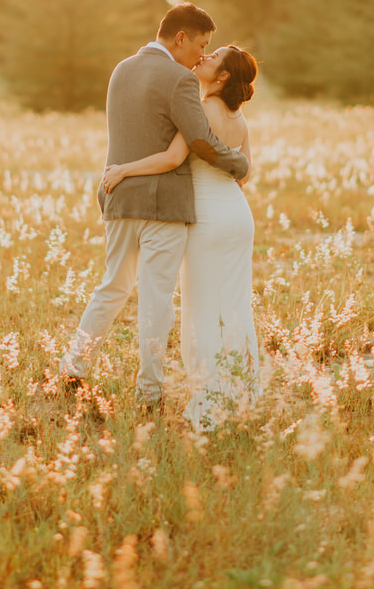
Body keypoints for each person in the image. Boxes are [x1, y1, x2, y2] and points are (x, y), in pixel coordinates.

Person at [59, 3, 250, 410]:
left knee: (112, 286)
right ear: (180, 38)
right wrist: (239, 164)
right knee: (157, 297)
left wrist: (122, 174)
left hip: (119, 195)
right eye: (200, 45)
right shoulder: (180, 79)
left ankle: (74, 366)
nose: (201, 55)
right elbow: (199, 140)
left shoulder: (121, 70)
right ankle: (149, 391)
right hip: (163, 204)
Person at [102, 44, 260, 430]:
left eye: (215, 56)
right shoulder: (240, 119)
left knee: (202, 306)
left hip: (207, 217)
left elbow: (173, 159)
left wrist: (123, 169)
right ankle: (242, 394)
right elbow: (245, 173)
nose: (205, 57)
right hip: (237, 214)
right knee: (235, 304)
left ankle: (211, 403)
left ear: (222, 77)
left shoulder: (202, 109)